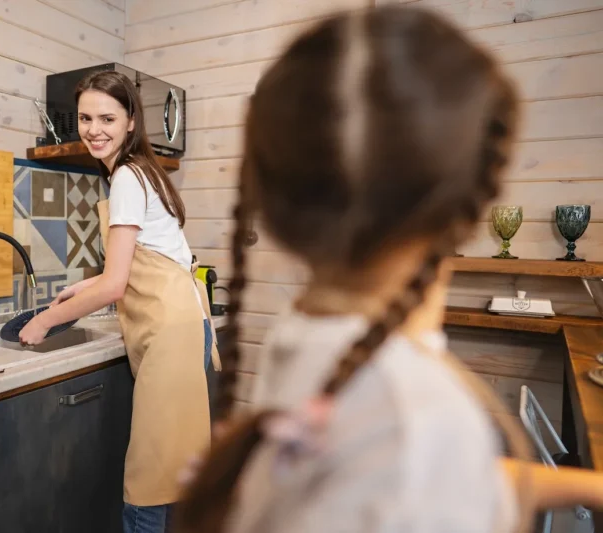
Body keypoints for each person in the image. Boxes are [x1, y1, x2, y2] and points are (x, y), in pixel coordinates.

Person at [171, 5, 603, 533]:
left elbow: (419, 477)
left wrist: (588, 486)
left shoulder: (309, 332)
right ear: (471, 205)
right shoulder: (416, 413)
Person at [18, 70, 221, 533]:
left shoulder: (128, 177)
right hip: (184, 323)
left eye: (107, 117)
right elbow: (132, 268)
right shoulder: (144, 171)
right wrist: (79, 290)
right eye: (86, 118)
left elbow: (115, 285)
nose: (94, 129)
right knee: (172, 474)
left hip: (169, 334)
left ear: (131, 121)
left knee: (149, 482)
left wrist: (46, 319)